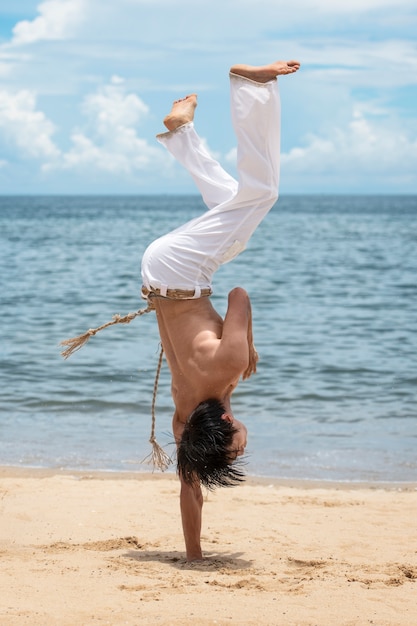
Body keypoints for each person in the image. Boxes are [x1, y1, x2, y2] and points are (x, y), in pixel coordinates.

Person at [140, 59, 300, 560]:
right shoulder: (185, 421)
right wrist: (193, 553)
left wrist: (247, 345)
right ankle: (181, 132)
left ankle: (252, 88)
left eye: (237, 446)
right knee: (232, 202)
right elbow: (190, 489)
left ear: (228, 427)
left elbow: (238, 295)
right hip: (160, 279)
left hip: (182, 269)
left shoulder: (228, 369)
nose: (243, 443)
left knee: (262, 193)